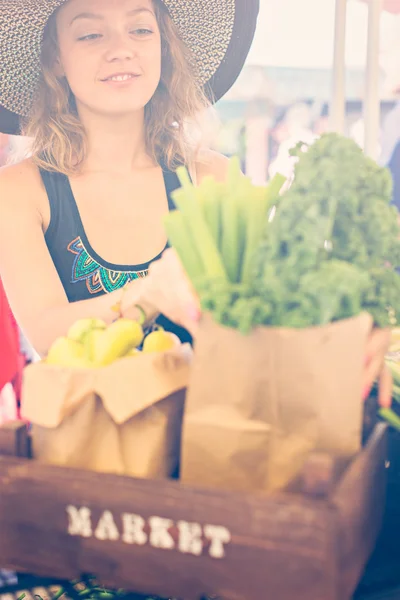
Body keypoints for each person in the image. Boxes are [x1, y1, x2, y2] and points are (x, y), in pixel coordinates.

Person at [0, 0, 391, 409]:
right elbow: (46, 333)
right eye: (91, 34)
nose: (121, 48)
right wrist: (150, 292)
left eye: (140, 30)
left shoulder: (213, 178)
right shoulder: (20, 190)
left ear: (163, 47)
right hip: (88, 449)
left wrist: (351, 327)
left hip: (212, 442)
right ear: (56, 58)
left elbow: (269, 313)